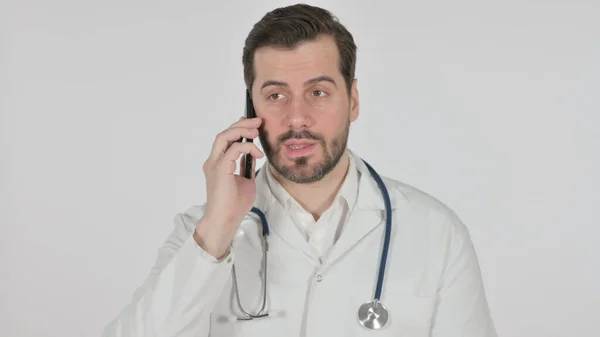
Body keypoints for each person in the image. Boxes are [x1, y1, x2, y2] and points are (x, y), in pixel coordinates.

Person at [103, 4, 497, 337]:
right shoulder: (200, 233)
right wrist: (219, 227)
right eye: (275, 95)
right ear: (251, 109)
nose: (297, 117)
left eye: (318, 92)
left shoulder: (436, 234)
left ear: (353, 101)